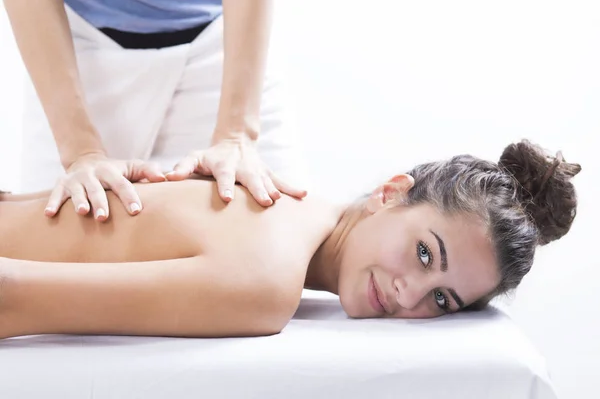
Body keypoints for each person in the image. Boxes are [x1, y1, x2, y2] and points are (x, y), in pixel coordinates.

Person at [0, 140, 580, 339]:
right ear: (392, 191)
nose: (409, 296)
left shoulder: (273, 200)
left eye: (443, 299)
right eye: (427, 254)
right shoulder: (267, 280)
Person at [4, 0, 307, 223]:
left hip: (226, 43)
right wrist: (80, 152)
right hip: (75, 45)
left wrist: (237, 134)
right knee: (52, 251)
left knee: (274, 233)